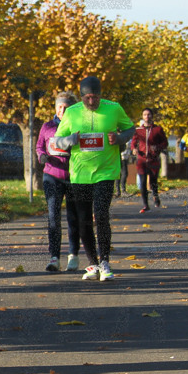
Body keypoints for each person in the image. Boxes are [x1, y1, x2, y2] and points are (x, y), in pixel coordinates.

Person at [52, 76, 134, 282]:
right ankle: (93, 264)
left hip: (106, 171)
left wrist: (120, 138)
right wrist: (71, 140)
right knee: (83, 221)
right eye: (87, 98)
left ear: (100, 95)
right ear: (81, 97)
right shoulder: (71, 113)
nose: (91, 102)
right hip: (80, 174)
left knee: (101, 214)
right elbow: (57, 141)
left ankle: (105, 261)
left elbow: (130, 129)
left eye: (95, 97)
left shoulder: (114, 108)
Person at [36, 92, 81, 273]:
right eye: (59, 107)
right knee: (53, 217)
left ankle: (73, 255)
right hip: (52, 176)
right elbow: (40, 146)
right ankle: (54, 257)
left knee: (73, 218)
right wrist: (42, 156)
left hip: (74, 177)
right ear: (55, 108)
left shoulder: (78, 127)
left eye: (66, 107)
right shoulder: (47, 126)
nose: (62, 111)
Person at [129, 107, 168, 212]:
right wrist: (133, 149)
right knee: (142, 182)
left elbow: (165, 143)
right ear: (142, 117)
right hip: (141, 159)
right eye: (145, 114)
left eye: (149, 114)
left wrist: (158, 147)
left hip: (153, 159)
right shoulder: (138, 130)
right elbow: (133, 143)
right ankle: (145, 204)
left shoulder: (158, 129)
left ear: (152, 116)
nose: (147, 116)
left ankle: (155, 195)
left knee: (153, 181)